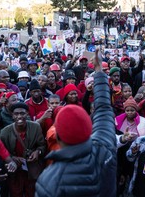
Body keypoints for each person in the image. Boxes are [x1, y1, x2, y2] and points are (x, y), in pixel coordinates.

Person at [35, 49, 116, 196]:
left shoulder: (48, 181)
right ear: (89, 129)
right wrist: (98, 71)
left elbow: (103, 109)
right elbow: (104, 108)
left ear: (58, 136)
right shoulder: (104, 145)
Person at [0, 102, 46, 197]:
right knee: (16, 193)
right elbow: (1, 152)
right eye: (16, 114)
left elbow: (43, 145)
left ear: (27, 114)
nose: (19, 116)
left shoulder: (35, 127)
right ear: (12, 115)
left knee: (32, 192)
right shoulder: (5, 132)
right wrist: (12, 158)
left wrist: (38, 152)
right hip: (15, 170)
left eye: (22, 113)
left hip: (31, 168)